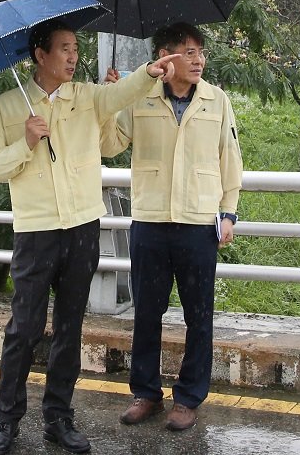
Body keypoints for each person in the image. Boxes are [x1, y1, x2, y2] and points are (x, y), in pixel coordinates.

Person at [0, 19, 179, 455]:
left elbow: (118, 96)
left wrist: (148, 73)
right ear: (40, 56)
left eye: (76, 48)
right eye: (64, 49)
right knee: (24, 330)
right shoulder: (9, 106)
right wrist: (25, 143)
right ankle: (6, 420)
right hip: (35, 231)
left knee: (70, 329)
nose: (73, 56)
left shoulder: (87, 97)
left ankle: (58, 418)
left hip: (83, 226)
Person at [102, 22, 243, 432]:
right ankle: (146, 393)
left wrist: (229, 212)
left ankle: (188, 398)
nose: (198, 59)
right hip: (150, 219)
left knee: (199, 315)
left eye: (201, 52)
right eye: (189, 51)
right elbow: (110, 146)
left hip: (199, 221)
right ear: (165, 55)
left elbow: (228, 158)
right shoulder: (139, 94)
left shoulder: (217, 101)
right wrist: (112, 100)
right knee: (147, 311)